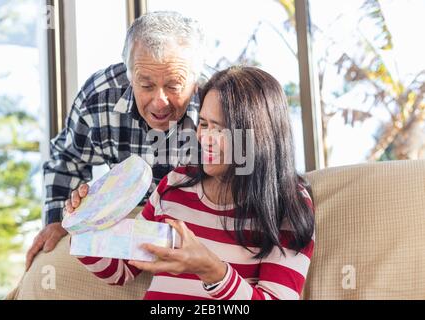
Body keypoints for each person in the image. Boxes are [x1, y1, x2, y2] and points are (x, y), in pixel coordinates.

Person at [72, 66, 315, 300]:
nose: (205, 138)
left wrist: (212, 270)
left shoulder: (288, 204)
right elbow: (123, 270)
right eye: (204, 124)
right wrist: (84, 225)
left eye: (220, 130)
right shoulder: (176, 185)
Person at [25, 11, 207, 270]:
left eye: (174, 85)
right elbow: (66, 161)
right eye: (145, 85)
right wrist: (56, 221)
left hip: (198, 226)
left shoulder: (219, 99)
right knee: (45, 269)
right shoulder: (100, 95)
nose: (159, 102)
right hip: (126, 222)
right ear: (130, 74)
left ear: (195, 80)